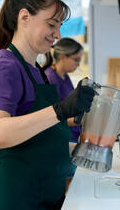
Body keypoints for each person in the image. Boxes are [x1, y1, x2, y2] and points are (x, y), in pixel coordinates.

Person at [0, 0, 96, 210]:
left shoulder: (36, 70)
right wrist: (60, 110)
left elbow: (37, 141)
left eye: (59, 26)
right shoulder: (5, 68)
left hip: (38, 195)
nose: (58, 34)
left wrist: (82, 150)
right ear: (24, 18)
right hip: (9, 199)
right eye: (51, 24)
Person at [42, 38, 84, 191]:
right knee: (65, 189)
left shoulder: (64, 77)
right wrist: (80, 120)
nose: (78, 64)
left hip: (70, 137)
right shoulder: (50, 79)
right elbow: (51, 120)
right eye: (76, 60)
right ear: (62, 57)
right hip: (61, 140)